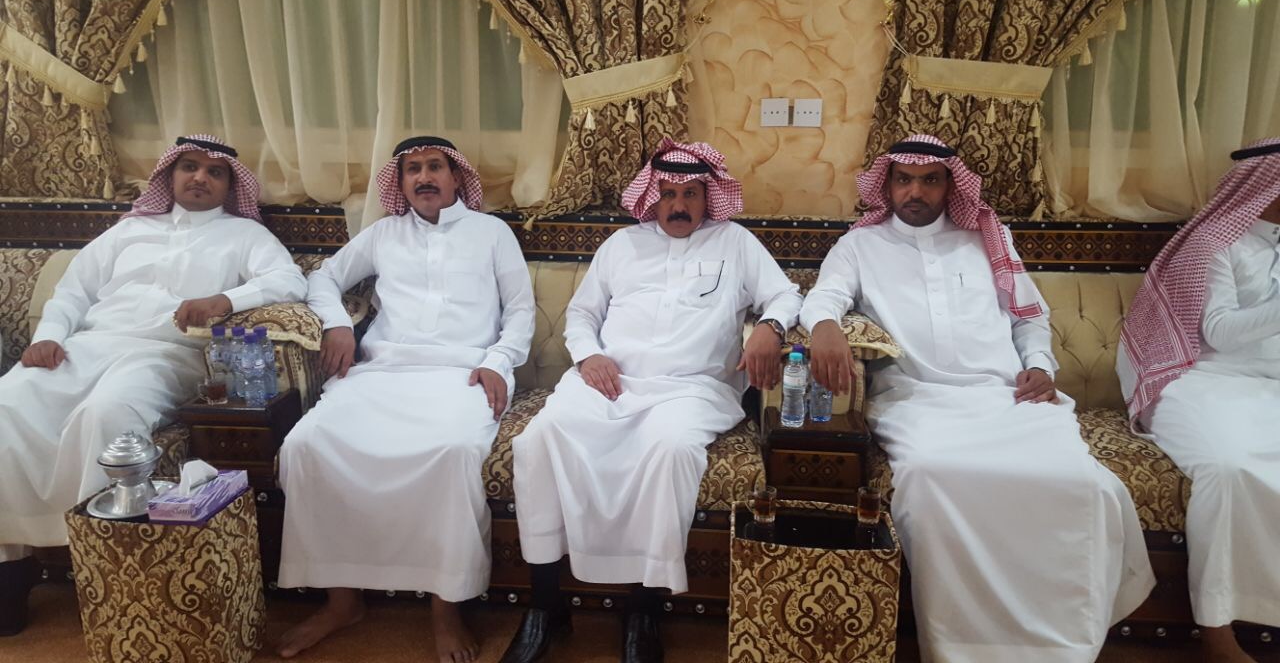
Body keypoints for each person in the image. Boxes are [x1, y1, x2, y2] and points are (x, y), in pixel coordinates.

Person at [802, 134, 1155, 662]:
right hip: (917, 401)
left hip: (1004, 398)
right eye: (904, 180)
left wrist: (1040, 367)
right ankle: (961, 647)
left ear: (950, 186)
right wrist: (825, 325)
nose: (915, 191)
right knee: (929, 475)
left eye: (930, 180)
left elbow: (1028, 318)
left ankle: (1061, 647)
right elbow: (825, 296)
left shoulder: (987, 238)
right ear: (887, 186)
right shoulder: (861, 245)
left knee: (1085, 484)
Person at [499, 139, 802, 663]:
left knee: (670, 450)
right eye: (667, 194)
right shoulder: (622, 245)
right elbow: (582, 314)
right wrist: (589, 355)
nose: (678, 205)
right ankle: (546, 604)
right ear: (651, 197)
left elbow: (785, 294)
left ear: (708, 197)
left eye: (690, 194)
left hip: (692, 389)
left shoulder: (735, 242)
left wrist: (770, 327)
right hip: (609, 381)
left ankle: (643, 608)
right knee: (540, 440)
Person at [0, 134, 307, 636]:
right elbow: (73, 290)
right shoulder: (129, 231)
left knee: (108, 415)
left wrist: (225, 300)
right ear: (170, 175)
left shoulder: (244, 234)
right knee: (8, 404)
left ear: (230, 185)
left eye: (214, 172)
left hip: (166, 353)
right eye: (189, 167)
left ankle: (101, 562)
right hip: (89, 344)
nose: (200, 177)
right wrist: (48, 337)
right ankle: (10, 565)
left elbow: (289, 280)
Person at [275, 136, 534, 663]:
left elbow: (521, 311)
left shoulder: (492, 233)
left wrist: (498, 361)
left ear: (456, 177)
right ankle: (342, 601)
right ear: (401, 182)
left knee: (452, 453)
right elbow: (323, 277)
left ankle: (445, 606)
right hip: (382, 372)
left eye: (435, 166)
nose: (424, 177)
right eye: (413, 169)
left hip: (464, 374)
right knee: (306, 444)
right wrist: (336, 324)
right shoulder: (383, 234)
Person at [1118, 138, 1280, 662]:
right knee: (1227, 468)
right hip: (1198, 379)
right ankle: (1216, 630)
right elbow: (1220, 332)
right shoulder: (1214, 243)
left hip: (1270, 385)